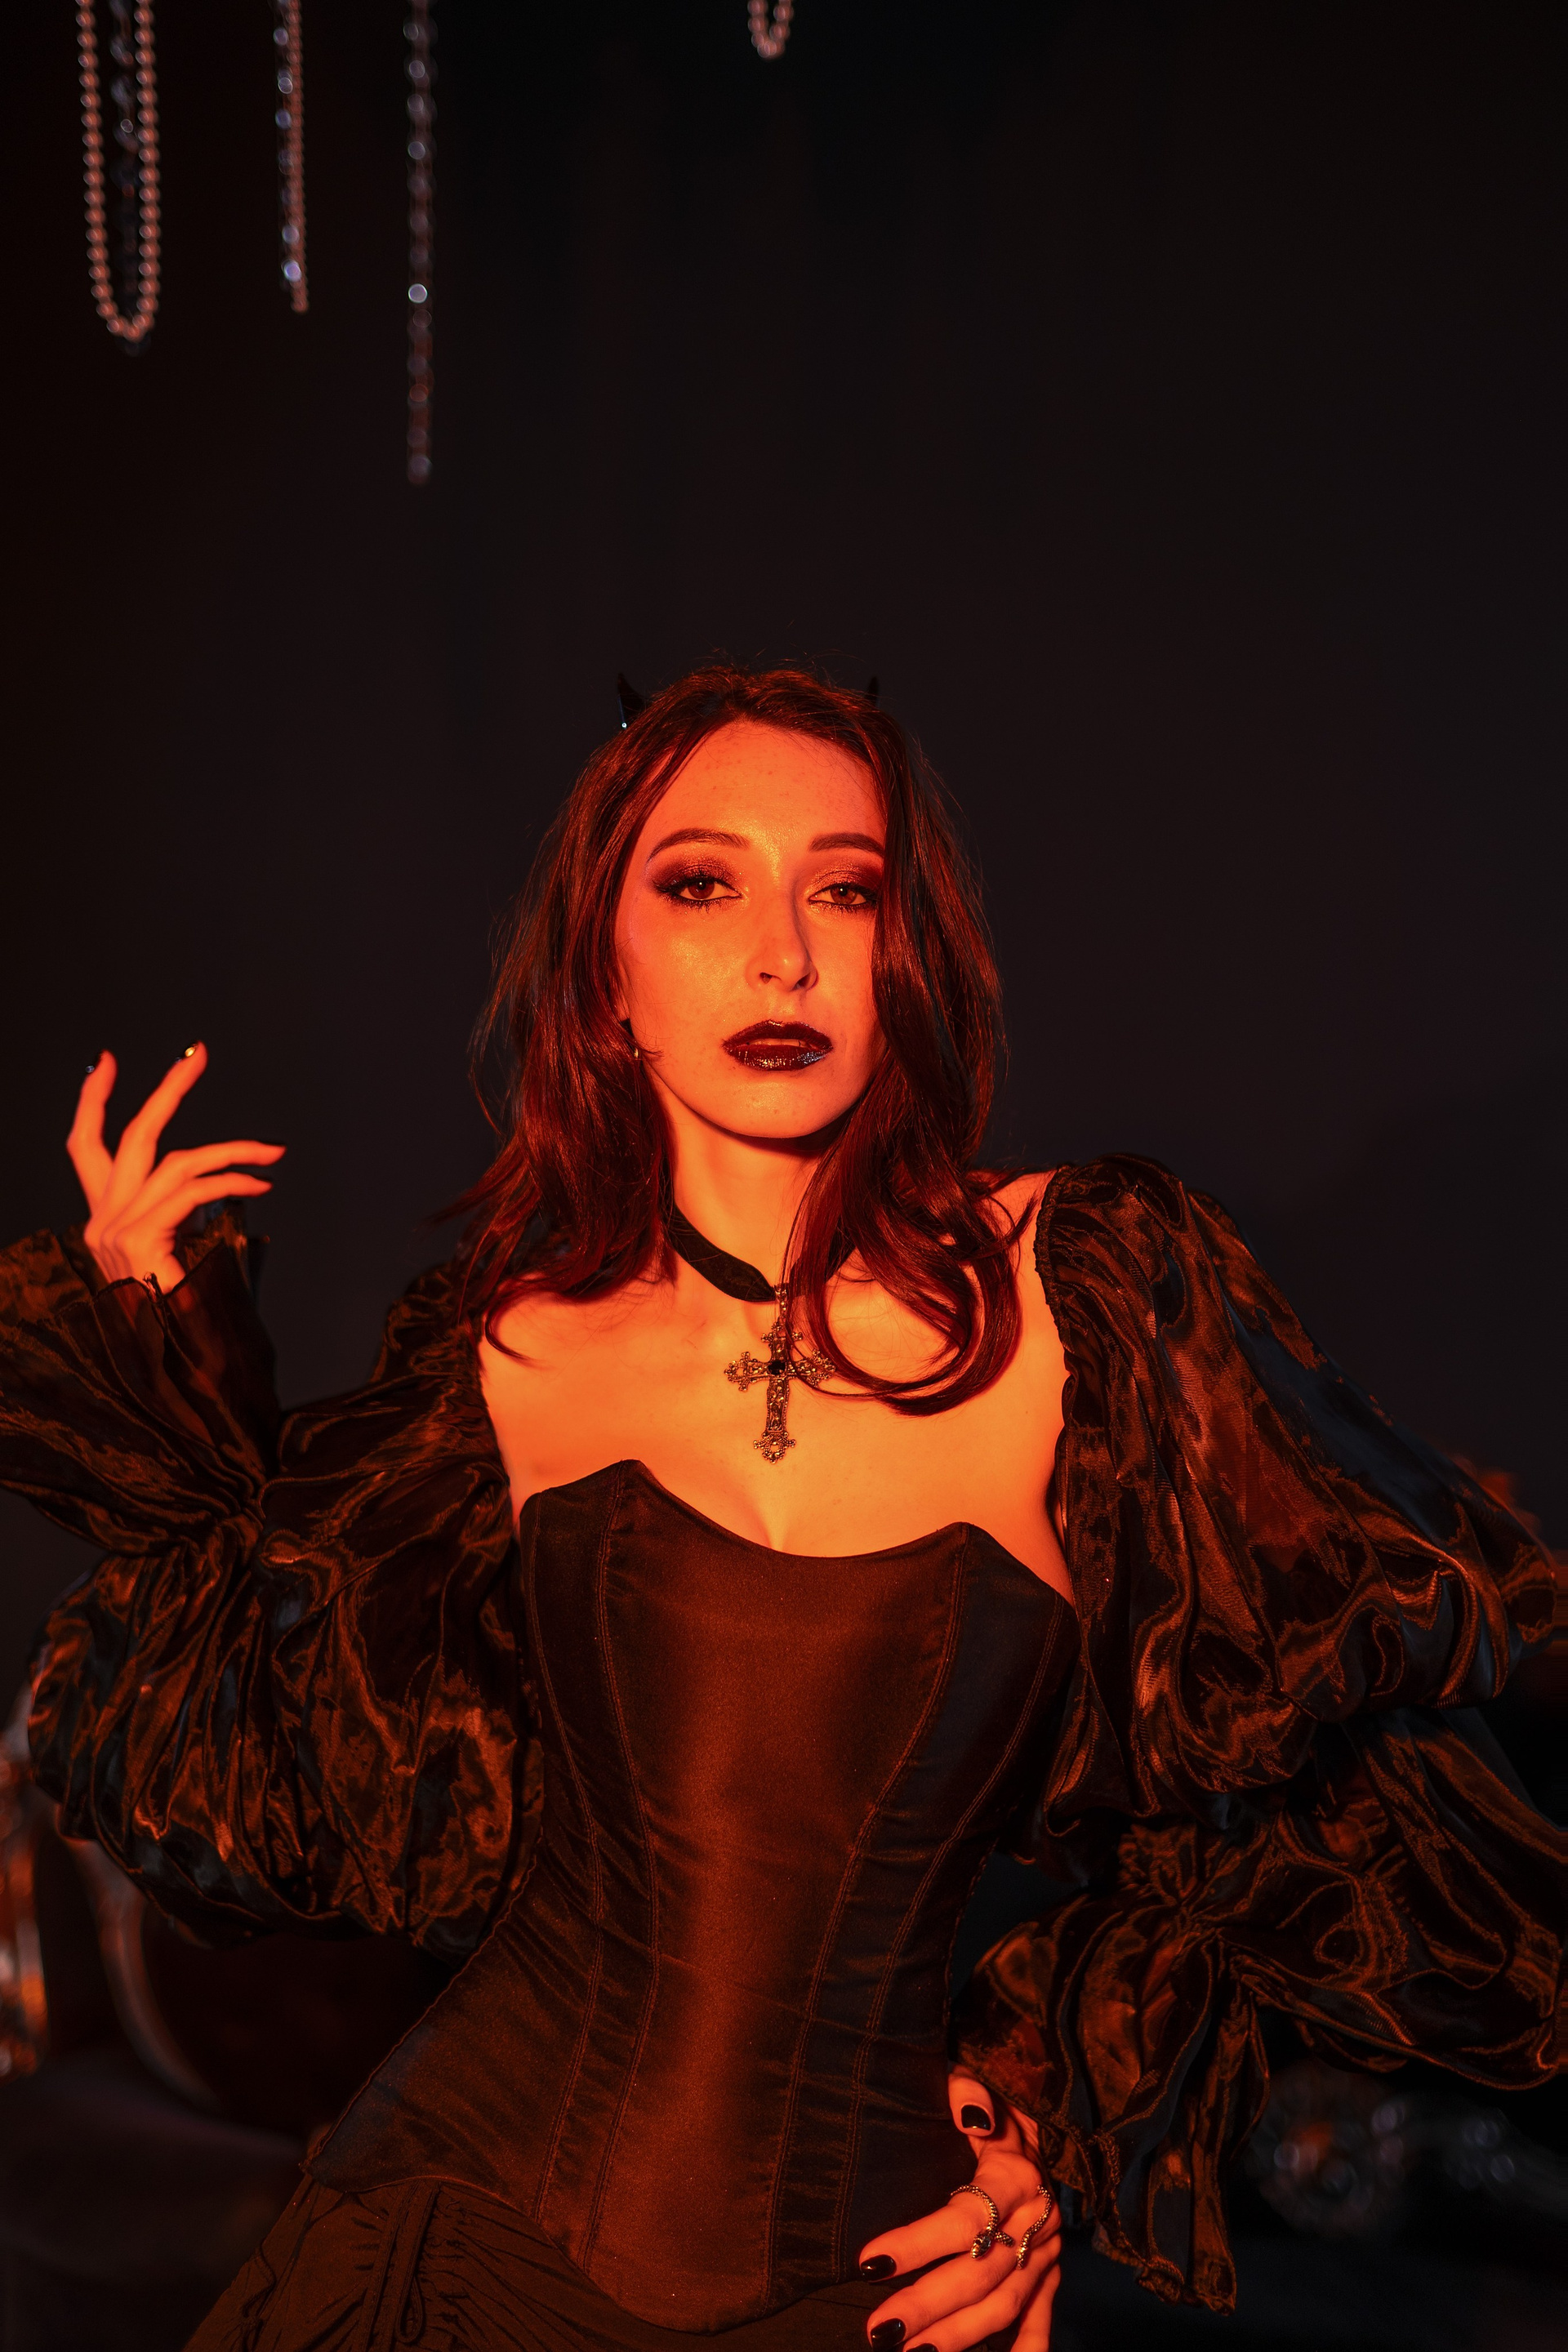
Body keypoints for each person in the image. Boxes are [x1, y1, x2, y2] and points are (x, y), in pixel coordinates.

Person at [0, 666, 1561, 2352]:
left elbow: (1310, 1786)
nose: (782, 955)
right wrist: (153, 1340)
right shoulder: (503, 1353)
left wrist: (1038, 2114)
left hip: (878, 2287)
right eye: (700, 885)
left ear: (908, 955)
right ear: (606, 981)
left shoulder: (1091, 1294)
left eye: (845, 890)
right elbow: (284, 1775)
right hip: (455, 2240)